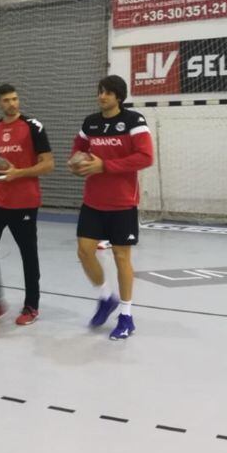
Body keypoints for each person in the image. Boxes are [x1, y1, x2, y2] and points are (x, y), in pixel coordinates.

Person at [69, 75, 154, 340]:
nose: (102, 96)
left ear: (119, 96)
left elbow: (145, 157)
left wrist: (105, 165)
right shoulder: (90, 123)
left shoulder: (134, 121)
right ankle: (106, 298)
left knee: (121, 258)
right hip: (93, 201)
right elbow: (78, 149)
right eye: (100, 91)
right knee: (84, 252)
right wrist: (76, 163)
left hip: (122, 203)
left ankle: (126, 316)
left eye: (107, 93)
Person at [0, 84, 54, 326]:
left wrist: (19, 173)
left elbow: (48, 164)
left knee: (28, 254)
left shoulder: (33, 127)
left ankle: (31, 306)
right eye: (7, 100)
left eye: (15, 99)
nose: (12, 103)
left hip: (25, 202)